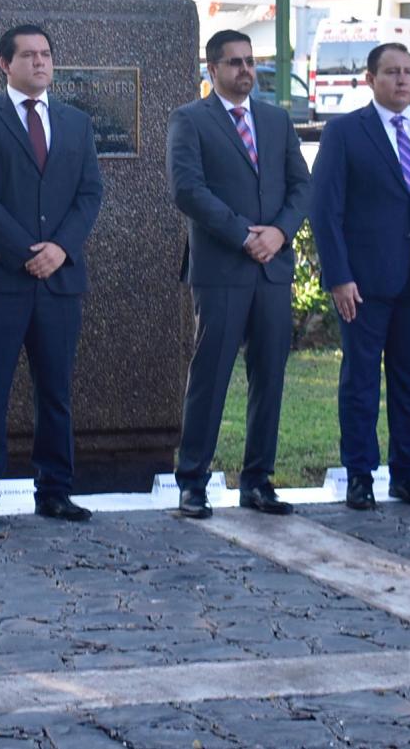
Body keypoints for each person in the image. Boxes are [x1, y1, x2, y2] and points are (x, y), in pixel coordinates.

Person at [0, 23, 104, 526]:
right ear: (5, 64)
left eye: (46, 54)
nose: (40, 62)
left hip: (59, 280)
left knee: (56, 391)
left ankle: (55, 490)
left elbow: (89, 193)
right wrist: (25, 253)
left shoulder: (76, 123)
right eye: (29, 55)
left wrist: (60, 248)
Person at [309, 42, 410, 510]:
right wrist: (338, 276)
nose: (402, 80)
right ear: (371, 79)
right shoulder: (345, 132)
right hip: (363, 283)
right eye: (392, 72)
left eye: (408, 72)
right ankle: (360, 475)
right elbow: (325, 209)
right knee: (361, 383)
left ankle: (409, 475)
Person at [166, 29, 311, 518]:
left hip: (272, 270)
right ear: (212, 70)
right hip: (222, 268)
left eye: (249, 61)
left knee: (269, 378)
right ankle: (192, 482)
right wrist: (244, 235)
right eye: (235, 62)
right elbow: (188, 190)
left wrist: (280, 233)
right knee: (211, 378)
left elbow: (302, 186)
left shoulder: (276, 120)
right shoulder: (190, 120)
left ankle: (258, 481)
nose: (246, 70)